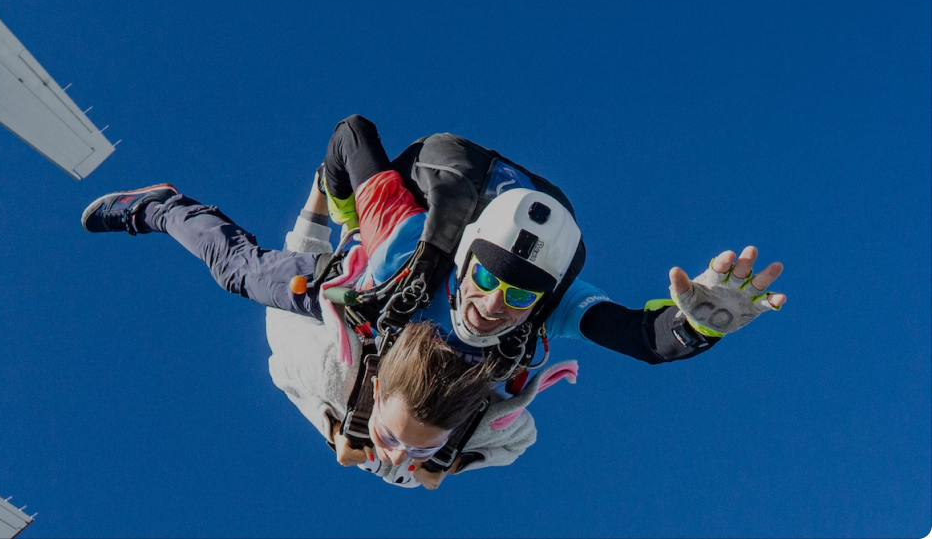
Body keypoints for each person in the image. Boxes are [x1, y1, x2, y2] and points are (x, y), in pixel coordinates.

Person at [80, 115, 786, 487]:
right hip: (397, 229)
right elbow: (351, 132)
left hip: (434, 307)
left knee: (411, 454)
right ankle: (163, 205)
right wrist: (339, 204)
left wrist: (697, 325)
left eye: (518, 295)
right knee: (245, 274)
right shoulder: (397, 246)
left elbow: (640, 336)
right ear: (466, 257)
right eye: (485, 281)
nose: (493, 304)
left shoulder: (551, 302)